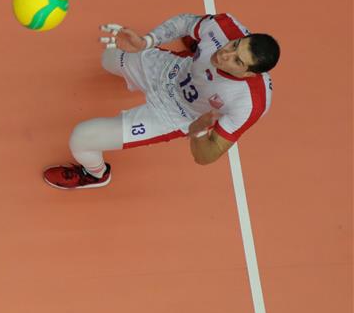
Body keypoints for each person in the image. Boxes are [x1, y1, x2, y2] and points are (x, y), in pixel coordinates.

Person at [43, 13, 279, 190]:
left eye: (237, 61)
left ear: (250, 74)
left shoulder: (250, 102)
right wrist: (147, 41)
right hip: (170, 70)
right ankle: (196, 51)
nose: (225, 54)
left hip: (176, 114)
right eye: (235, 45)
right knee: (109, 57)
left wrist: (197, 132)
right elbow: (185, 23)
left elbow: (205, 156)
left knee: (81, 138)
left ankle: (96, 175)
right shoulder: (224, 28)